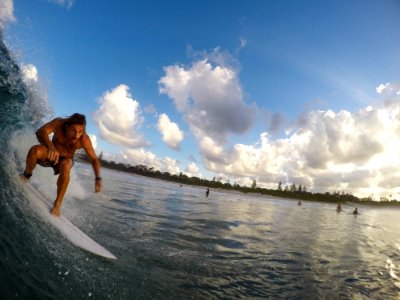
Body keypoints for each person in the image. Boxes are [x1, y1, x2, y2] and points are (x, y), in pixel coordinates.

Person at [21, 113, 101, 217]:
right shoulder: (59, 124)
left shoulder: (84, 139)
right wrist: (50, 146)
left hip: (65, 160)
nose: (76, 135)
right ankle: (27, 175)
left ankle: (58, 204)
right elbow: (40, 132)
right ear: (67, 126)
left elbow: (94, 159)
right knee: (35, 150)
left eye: (80, 131)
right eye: (74, 130)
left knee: (67, 165)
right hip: (50, 154)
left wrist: (98, 178)